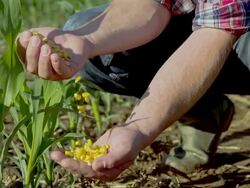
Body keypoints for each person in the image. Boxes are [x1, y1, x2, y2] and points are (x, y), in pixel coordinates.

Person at [17, 0, 250, 181]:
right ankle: (202, 108)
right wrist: (86, 40)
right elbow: (150, 4)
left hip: (233, 30)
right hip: (219, 24)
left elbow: (218, 29)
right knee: (86, 34)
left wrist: (140, 127)